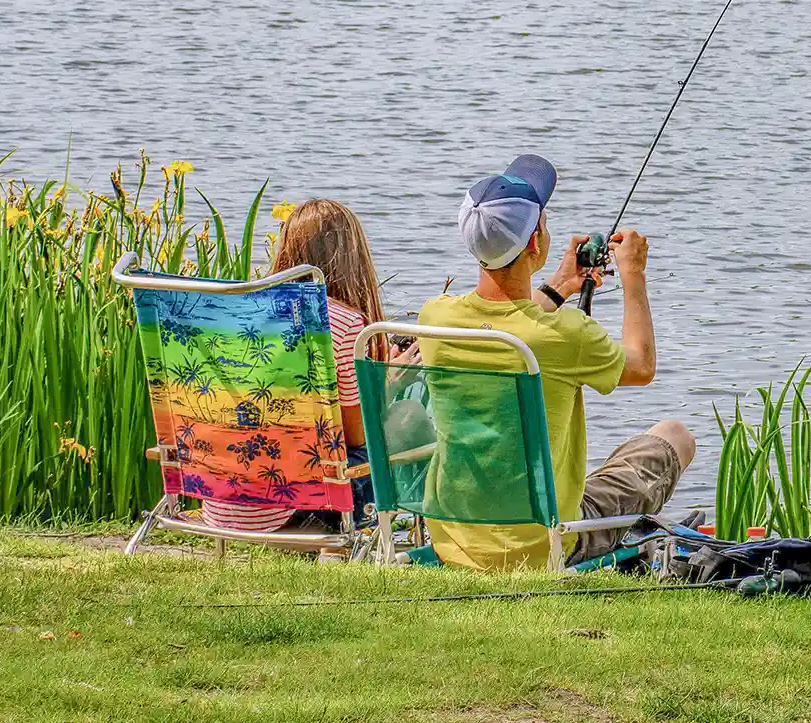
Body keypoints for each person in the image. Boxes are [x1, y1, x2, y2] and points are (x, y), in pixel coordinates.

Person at [416, 154, 695, 569]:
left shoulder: (436, 319)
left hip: (454, 536)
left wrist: (560, 286)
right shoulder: (567, 334)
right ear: (534, 243)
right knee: (674, 435)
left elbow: (513, 326)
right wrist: (634, 274)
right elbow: (641, 365)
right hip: (543, 542)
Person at [200, 198, 384, 533]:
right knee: (390, 435)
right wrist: (385, 383)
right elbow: (356, 436)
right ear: (353, 258)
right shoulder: (343, 323)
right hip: (289, 505)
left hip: (221, 499)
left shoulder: (239, 313)